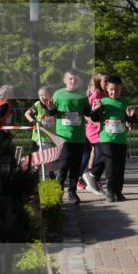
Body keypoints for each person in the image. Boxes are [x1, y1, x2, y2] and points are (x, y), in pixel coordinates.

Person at [90, 75, 138, 202]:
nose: (114, 92)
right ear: (107, 88)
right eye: (111, 89)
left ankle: (118, 191)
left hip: (121, 139)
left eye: (117, 90)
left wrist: (130, 116)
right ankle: (110, 191)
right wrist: (95, 110)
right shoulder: (104, 102)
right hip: (106, 138)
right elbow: (95, 118)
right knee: (111, 165)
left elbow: (131, 120)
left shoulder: (124, 102)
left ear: (121, 89)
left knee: (120, 166)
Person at [53, 69, 93, 205]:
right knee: (64, 164)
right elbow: (52, 111)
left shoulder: (82, 96)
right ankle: (58, 192)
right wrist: (49, 108)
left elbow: (88, 112)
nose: (73, 81)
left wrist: (95, 109)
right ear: (64, 80)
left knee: (75, 166)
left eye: (75, 79)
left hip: (78, 137)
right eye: (70, 79)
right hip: (63, 136)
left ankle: (72, 192)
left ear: (79, 81)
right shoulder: (58, 94)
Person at [81, 73, 108, 195]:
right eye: (105, 81)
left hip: (104, 129)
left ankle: (92, 178)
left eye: (108, 81)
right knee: (102, 154)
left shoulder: (107, 94)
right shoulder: (96, 94)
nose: (107, 84)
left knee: (103, 155)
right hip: (93, 130)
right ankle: (90, 176)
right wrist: (96, 123)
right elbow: (85, 114)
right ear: (98, 82)